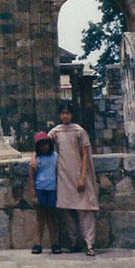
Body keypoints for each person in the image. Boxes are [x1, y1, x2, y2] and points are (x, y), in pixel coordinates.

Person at [48, 102, 99, 256]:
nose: (65, 116)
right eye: (62, 113)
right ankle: (73, 242)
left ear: (72, 114)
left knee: (85, 210)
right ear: (59, 115)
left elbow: (85, 155)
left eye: (68, 113)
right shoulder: (55, 132)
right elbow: (42, 145)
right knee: (67, 210)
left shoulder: (79, 131)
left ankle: (90, 244)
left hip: (79, 174)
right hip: (63, 175)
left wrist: (83, 177)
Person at [28, 131, 60, 254]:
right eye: (41, 145)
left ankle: (54, 243)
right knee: (40, 218)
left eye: (46, 144)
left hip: (52, 189)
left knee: (52, 218)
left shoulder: (55, 157)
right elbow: (31, 178)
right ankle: (38, 243)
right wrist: (34, 195)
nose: (44, 147)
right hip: (40, 189)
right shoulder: (36, 160)